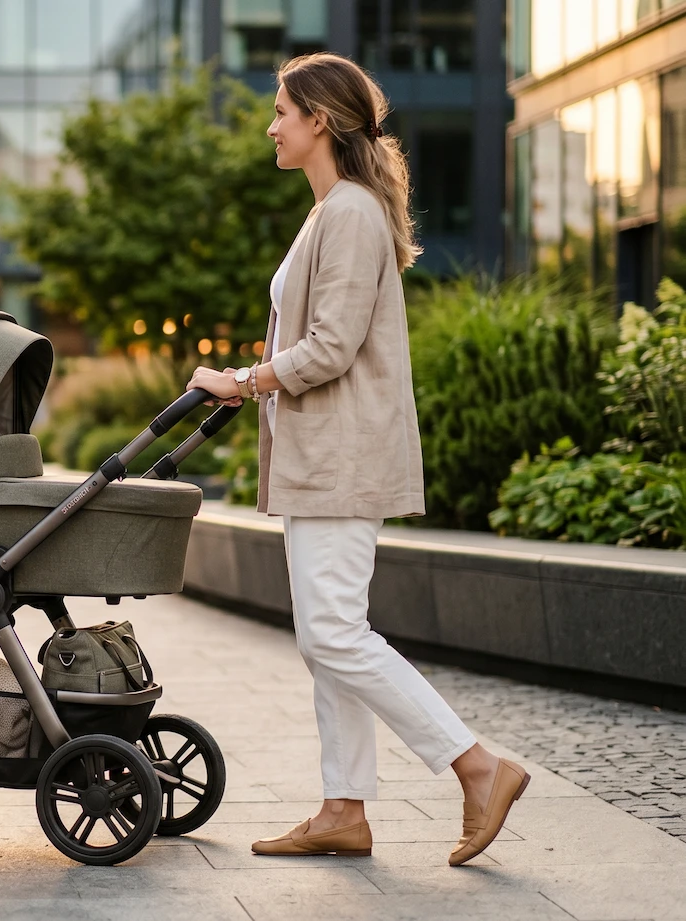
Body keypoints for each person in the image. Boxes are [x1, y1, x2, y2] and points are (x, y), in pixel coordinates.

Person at [187, 53, 527, 867]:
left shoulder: (348, 214)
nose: (271, 126)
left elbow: (332, 346)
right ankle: (344, 806)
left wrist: (243, 381)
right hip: (322, 456)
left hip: (341, 454)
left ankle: (478, 766)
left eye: (280, 111)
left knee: (334, 631)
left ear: (320, 121)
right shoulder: (334, 211)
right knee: (326, 632)